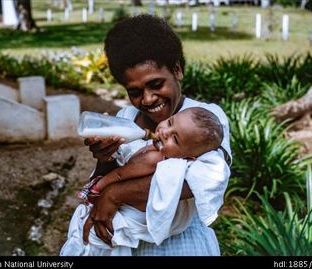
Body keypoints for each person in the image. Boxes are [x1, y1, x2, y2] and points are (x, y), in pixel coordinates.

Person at [81, 14, 231, 256]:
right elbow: (99, 181)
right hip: (124, 241)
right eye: (135, 91)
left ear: (177, 70)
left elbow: (199, 182)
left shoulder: (207, 118)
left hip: (180, 244)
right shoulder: (126, 117)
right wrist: (104, 158)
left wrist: (115, 195)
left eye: (156, 84)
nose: (148, 99)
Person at [60, 107, 224, 256]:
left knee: (93, 242)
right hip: (126, 219)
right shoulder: (137, 127)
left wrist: (97, 188)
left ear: (189, 157)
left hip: (135, 223)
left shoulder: (154, 157)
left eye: (175, 139)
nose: (165, 132)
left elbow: (119, 175)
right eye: (170, 122)